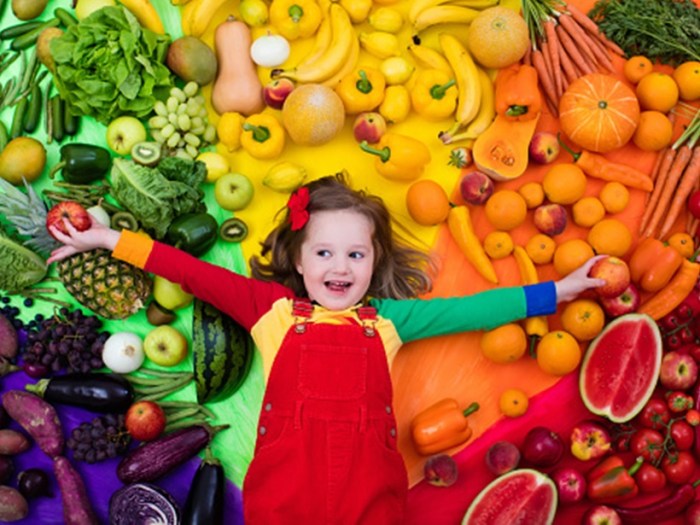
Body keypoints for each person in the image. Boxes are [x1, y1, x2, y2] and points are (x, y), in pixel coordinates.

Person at [48, 172, 605, 524]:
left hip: (372, 502)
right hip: (282, 500)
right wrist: (106, 240)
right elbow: (189, 271)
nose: (339, 267)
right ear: (297, 258)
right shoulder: (270, 311)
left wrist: (559, 290)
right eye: (324, 254)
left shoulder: (387, 322)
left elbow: (473, 310)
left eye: (356, 256)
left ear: (373, 262)